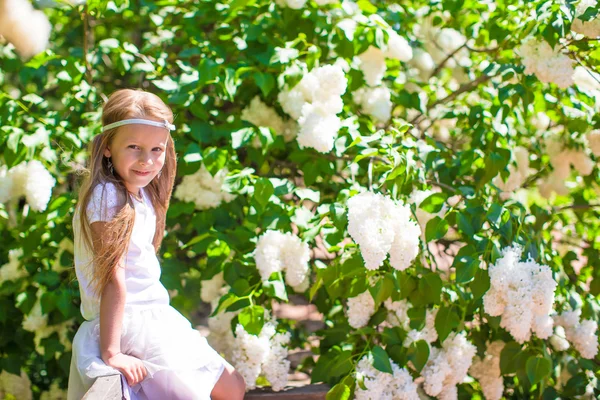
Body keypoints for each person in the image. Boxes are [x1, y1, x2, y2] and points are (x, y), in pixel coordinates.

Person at [67, 89, 245, 400]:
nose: (147, 160)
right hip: (129, 324)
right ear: (107, 147)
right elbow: (113, 277)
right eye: (134, 147)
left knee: (233, 386)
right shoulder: (108, 196)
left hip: (157, 318)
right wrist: (112, 352)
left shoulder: (141, 193)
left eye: (156, 149)